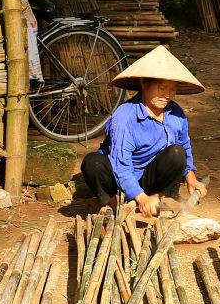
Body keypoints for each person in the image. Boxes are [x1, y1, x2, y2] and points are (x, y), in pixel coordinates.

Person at [80, 46, 208, 217]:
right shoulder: (124, 118)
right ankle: (111, 202)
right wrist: (140, 197)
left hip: (149, 178)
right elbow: (121, 165)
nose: (168, 95)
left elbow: (184, 145)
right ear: (144, 83)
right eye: (162, 88)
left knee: (178, 153)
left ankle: (156, 198)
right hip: (117, 178)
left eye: (172, 90)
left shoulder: (176, 113)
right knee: (92, 162)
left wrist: (191, 178)